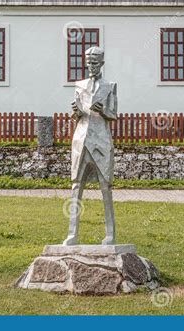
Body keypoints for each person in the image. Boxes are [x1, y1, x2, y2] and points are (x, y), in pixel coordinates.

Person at [63, 46, 118, 246]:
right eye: (89, 63)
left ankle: (110, 234)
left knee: (105, 187)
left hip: (101, 140)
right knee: (76, 186)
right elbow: (76, 114)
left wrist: (103, 110)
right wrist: (76, 111)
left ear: (101, 63)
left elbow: (114, 114)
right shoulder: (79, 85)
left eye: (95, 63)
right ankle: (72, 234)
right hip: (80, 139)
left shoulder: (110, 86)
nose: (92, 66)